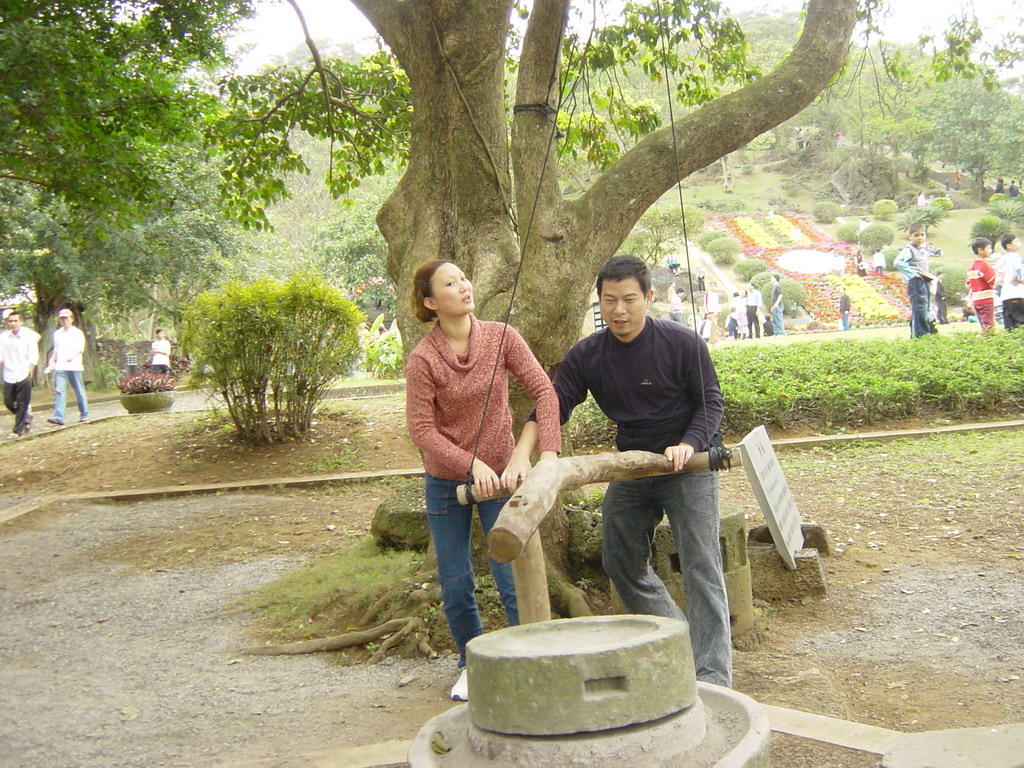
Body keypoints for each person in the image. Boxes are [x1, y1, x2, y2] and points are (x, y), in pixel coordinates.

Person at [528, 255, 731, 686]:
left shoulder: (681, 342)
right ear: (598, 302)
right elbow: (554, 403)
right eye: (609, 300)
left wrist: (689, 443)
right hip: (631, 467)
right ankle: (679, 643)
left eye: (629, 300)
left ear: (649, 298)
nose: (619, 310)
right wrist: (537, 447)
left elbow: (710, 402)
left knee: (701, 565)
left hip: (689, 465)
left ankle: (713, 676)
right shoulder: (588, 354)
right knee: (619, 561)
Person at [404, 259, 560, 701]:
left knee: (509, 575)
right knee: (455, 582)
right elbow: (422, 430)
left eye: (464, 278)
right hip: (446, 482)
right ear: (432, 302)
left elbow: (545, 391)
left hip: (503, 476)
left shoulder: (502, 336)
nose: (463, 286)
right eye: (450, 284)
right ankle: (472, 663)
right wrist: (470, 463)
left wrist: (539, 455)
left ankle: (524, 659)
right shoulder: (423, 359)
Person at [0, 311, 41, 440]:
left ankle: (17, 431)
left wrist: (30, 371)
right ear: (7, 322)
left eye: (15, 321)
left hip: (23, 373)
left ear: (21, 322)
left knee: (22, 404)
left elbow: (33, 356)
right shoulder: (3, 337)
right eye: (10, 321)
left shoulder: (28, 336)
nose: (13, 323)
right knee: (8, 401)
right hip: (9, 374)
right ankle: (27, 418)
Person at [45, 308, 89, 425]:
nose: (64, 320)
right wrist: (52, 360)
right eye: (62, 318)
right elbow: (56, 349)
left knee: (79, 390)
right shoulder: (57, 334)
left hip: (74, 366)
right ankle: (59, 416)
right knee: (60, 391)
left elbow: (80, 348)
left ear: (71, 319)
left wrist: (72, 356)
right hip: (61, 366)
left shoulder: (77, 333)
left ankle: (84, 414)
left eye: (66, 318)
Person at [893, 224, 934, 338]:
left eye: (922, 235)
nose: (920, 238)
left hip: (923, 282)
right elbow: (898, 262)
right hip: (916, 283)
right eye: (916, 235)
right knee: (920, 308)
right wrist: (913, 274)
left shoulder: (921, 250)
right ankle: (921, 335)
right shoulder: (908, 249)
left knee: (924, 308)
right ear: (909, 236)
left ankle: (921, 333)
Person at [966, 237, 997, 334]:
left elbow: (968, 285)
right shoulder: (983, 265)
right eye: (988, 248)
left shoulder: (971, 267)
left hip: (977, 300)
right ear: (980, 250)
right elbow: (993, 281)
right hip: (986, 300)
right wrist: (1001, 275)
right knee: (989, 327)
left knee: (983, 325)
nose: (990, 250)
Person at [997, 234, 1024, 330]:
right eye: (1016, 241)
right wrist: (1021, 279)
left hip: (1005, 294)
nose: (1019, 243)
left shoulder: (1001, 259)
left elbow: (998, 275)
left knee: (1009, 324)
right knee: (1020, 321)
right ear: (1009, 245)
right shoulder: (1015, 256)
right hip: (1016, 292)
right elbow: (1019, 269)